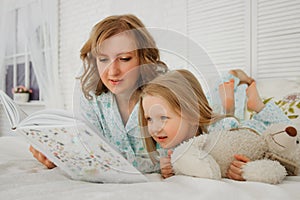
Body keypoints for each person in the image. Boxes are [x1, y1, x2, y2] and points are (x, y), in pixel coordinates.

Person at [29, 14, 168, 173]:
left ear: (143, 59)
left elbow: (167, 161)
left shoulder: (164, 93)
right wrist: (60, 154)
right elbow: (89, 147)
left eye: (124, 59)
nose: (113, 71)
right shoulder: (91, 97)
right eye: (103, 59)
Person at [138, 69, 291, 179]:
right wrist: (168, 170)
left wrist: (247, 168)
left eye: (163, 117)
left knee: (289, 133)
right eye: (149, 119)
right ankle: (228, 105)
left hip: (247, 127)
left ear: (191, 113)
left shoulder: (221, 130)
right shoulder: (165, 143)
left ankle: (257, 104)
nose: (154, 128)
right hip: (216, 114)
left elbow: (257, 149)